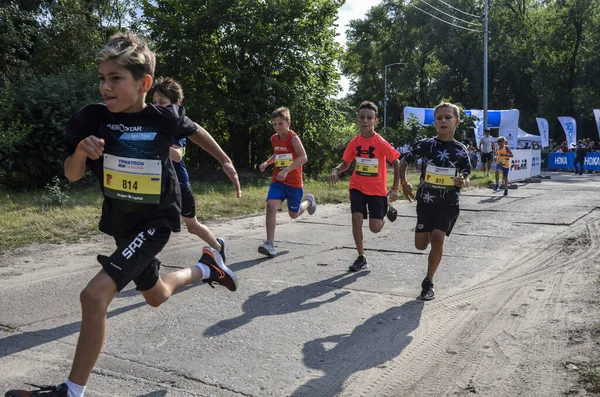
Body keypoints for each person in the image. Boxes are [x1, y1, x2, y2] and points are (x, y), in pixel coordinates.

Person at [4, 32, 241, 397]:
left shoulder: (163, 117)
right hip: (120, 223)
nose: (105, 87)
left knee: (94, 296)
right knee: (156, 294)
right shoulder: (93, 120)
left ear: (144, 83)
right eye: (101, 78)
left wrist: (224, 160)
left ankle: (72, 391)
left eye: (116, 78)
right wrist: (82, 152)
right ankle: (210, 266)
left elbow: (194, 131)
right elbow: (71, 174)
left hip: (156, 220)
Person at [150, 77, 233, 261]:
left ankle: (219, 247)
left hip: (179, 185)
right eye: (154, 102)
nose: (156, 107)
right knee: (149, 223)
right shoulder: (150, 125)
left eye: (162, 103)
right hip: (156, 185)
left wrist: (156, 144)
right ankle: (142, 264)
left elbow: (177, 155)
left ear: (176, 104)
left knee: (192, 226)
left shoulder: (177, 127)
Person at [398, 101, 471, 300]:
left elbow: (467, 175)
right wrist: (404, 183)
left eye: (448, 117)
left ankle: (428, 281)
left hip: (449, 204)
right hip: (426, 202)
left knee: (438, 238)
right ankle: (429, 233)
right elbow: (403, 161)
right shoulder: (426, 145)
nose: (443, 121)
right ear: (434, 123)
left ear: (457, 122)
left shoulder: (461, 150)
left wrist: (463, 181)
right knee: (421, 245)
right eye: (439, 118)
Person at [328, 101, 400, 272]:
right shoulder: (354, 142)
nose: (365, 121)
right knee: (356, 219)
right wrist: (336, 170)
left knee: (375, 228)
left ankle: (385, 208)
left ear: (376, 121)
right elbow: (346, 163)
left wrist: (396, 188)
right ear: (358, 120)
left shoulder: (380, 142)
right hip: (357, 187)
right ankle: (361, 257)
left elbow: (396, 162)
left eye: (369, 118)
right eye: (362, 117)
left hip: (377, 190)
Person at [258, 107, 317, 258]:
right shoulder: (274, 138)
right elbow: (278, 153)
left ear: (288, 123)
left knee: (293, 213)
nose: (277, 127)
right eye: (275, 124)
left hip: (293, 182)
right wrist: (267, 162)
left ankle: (309, 202)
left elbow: (303, 157)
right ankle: (269, 243)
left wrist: (287, 170)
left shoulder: (293, 138)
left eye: (280, 124)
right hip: (278, 180)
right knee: (271, 206)